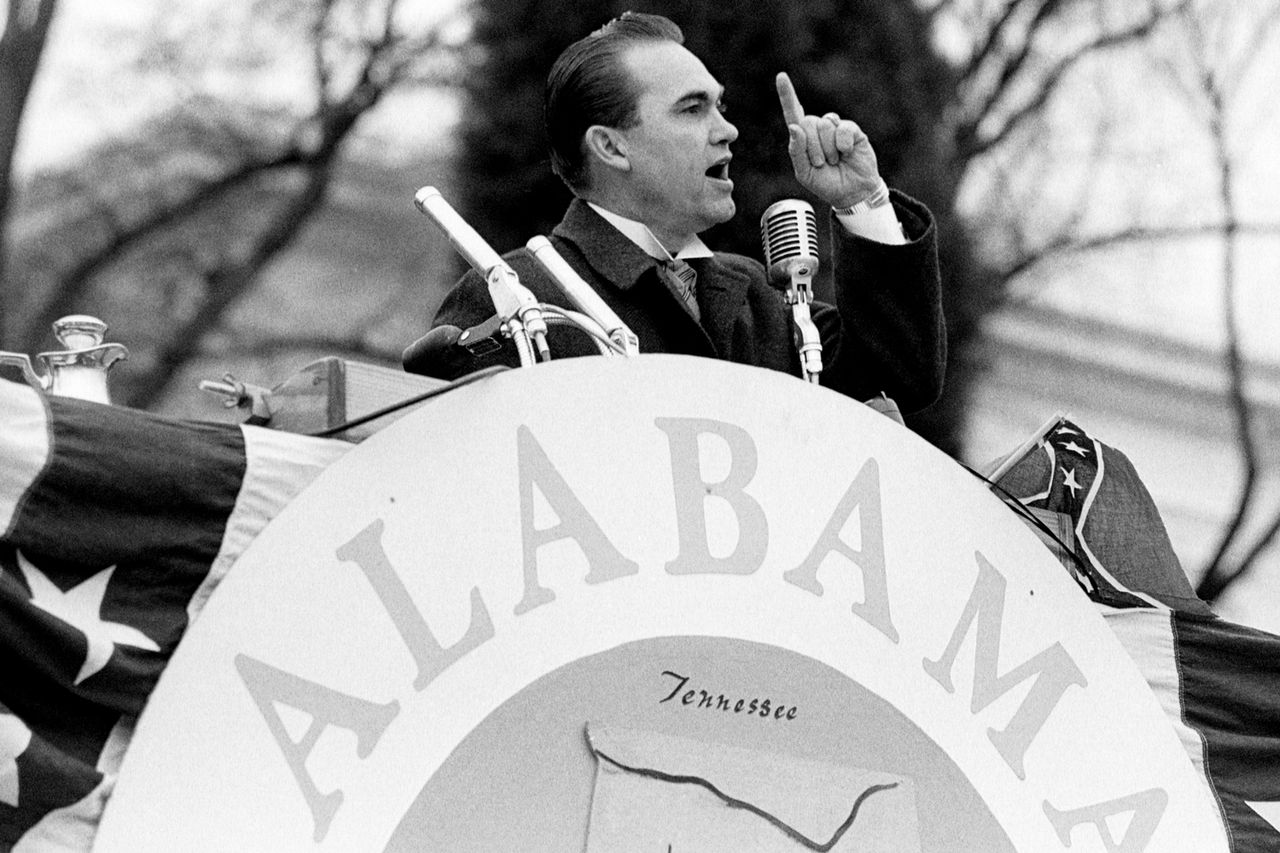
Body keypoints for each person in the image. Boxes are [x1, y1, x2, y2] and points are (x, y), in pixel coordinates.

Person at [429, 12, 945, 414]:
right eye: (693, 109)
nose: (727, 130)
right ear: (611, 147)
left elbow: (900, 376)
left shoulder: (761, 302)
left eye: (720, 107)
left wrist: (862, 198)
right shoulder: (517, 295)